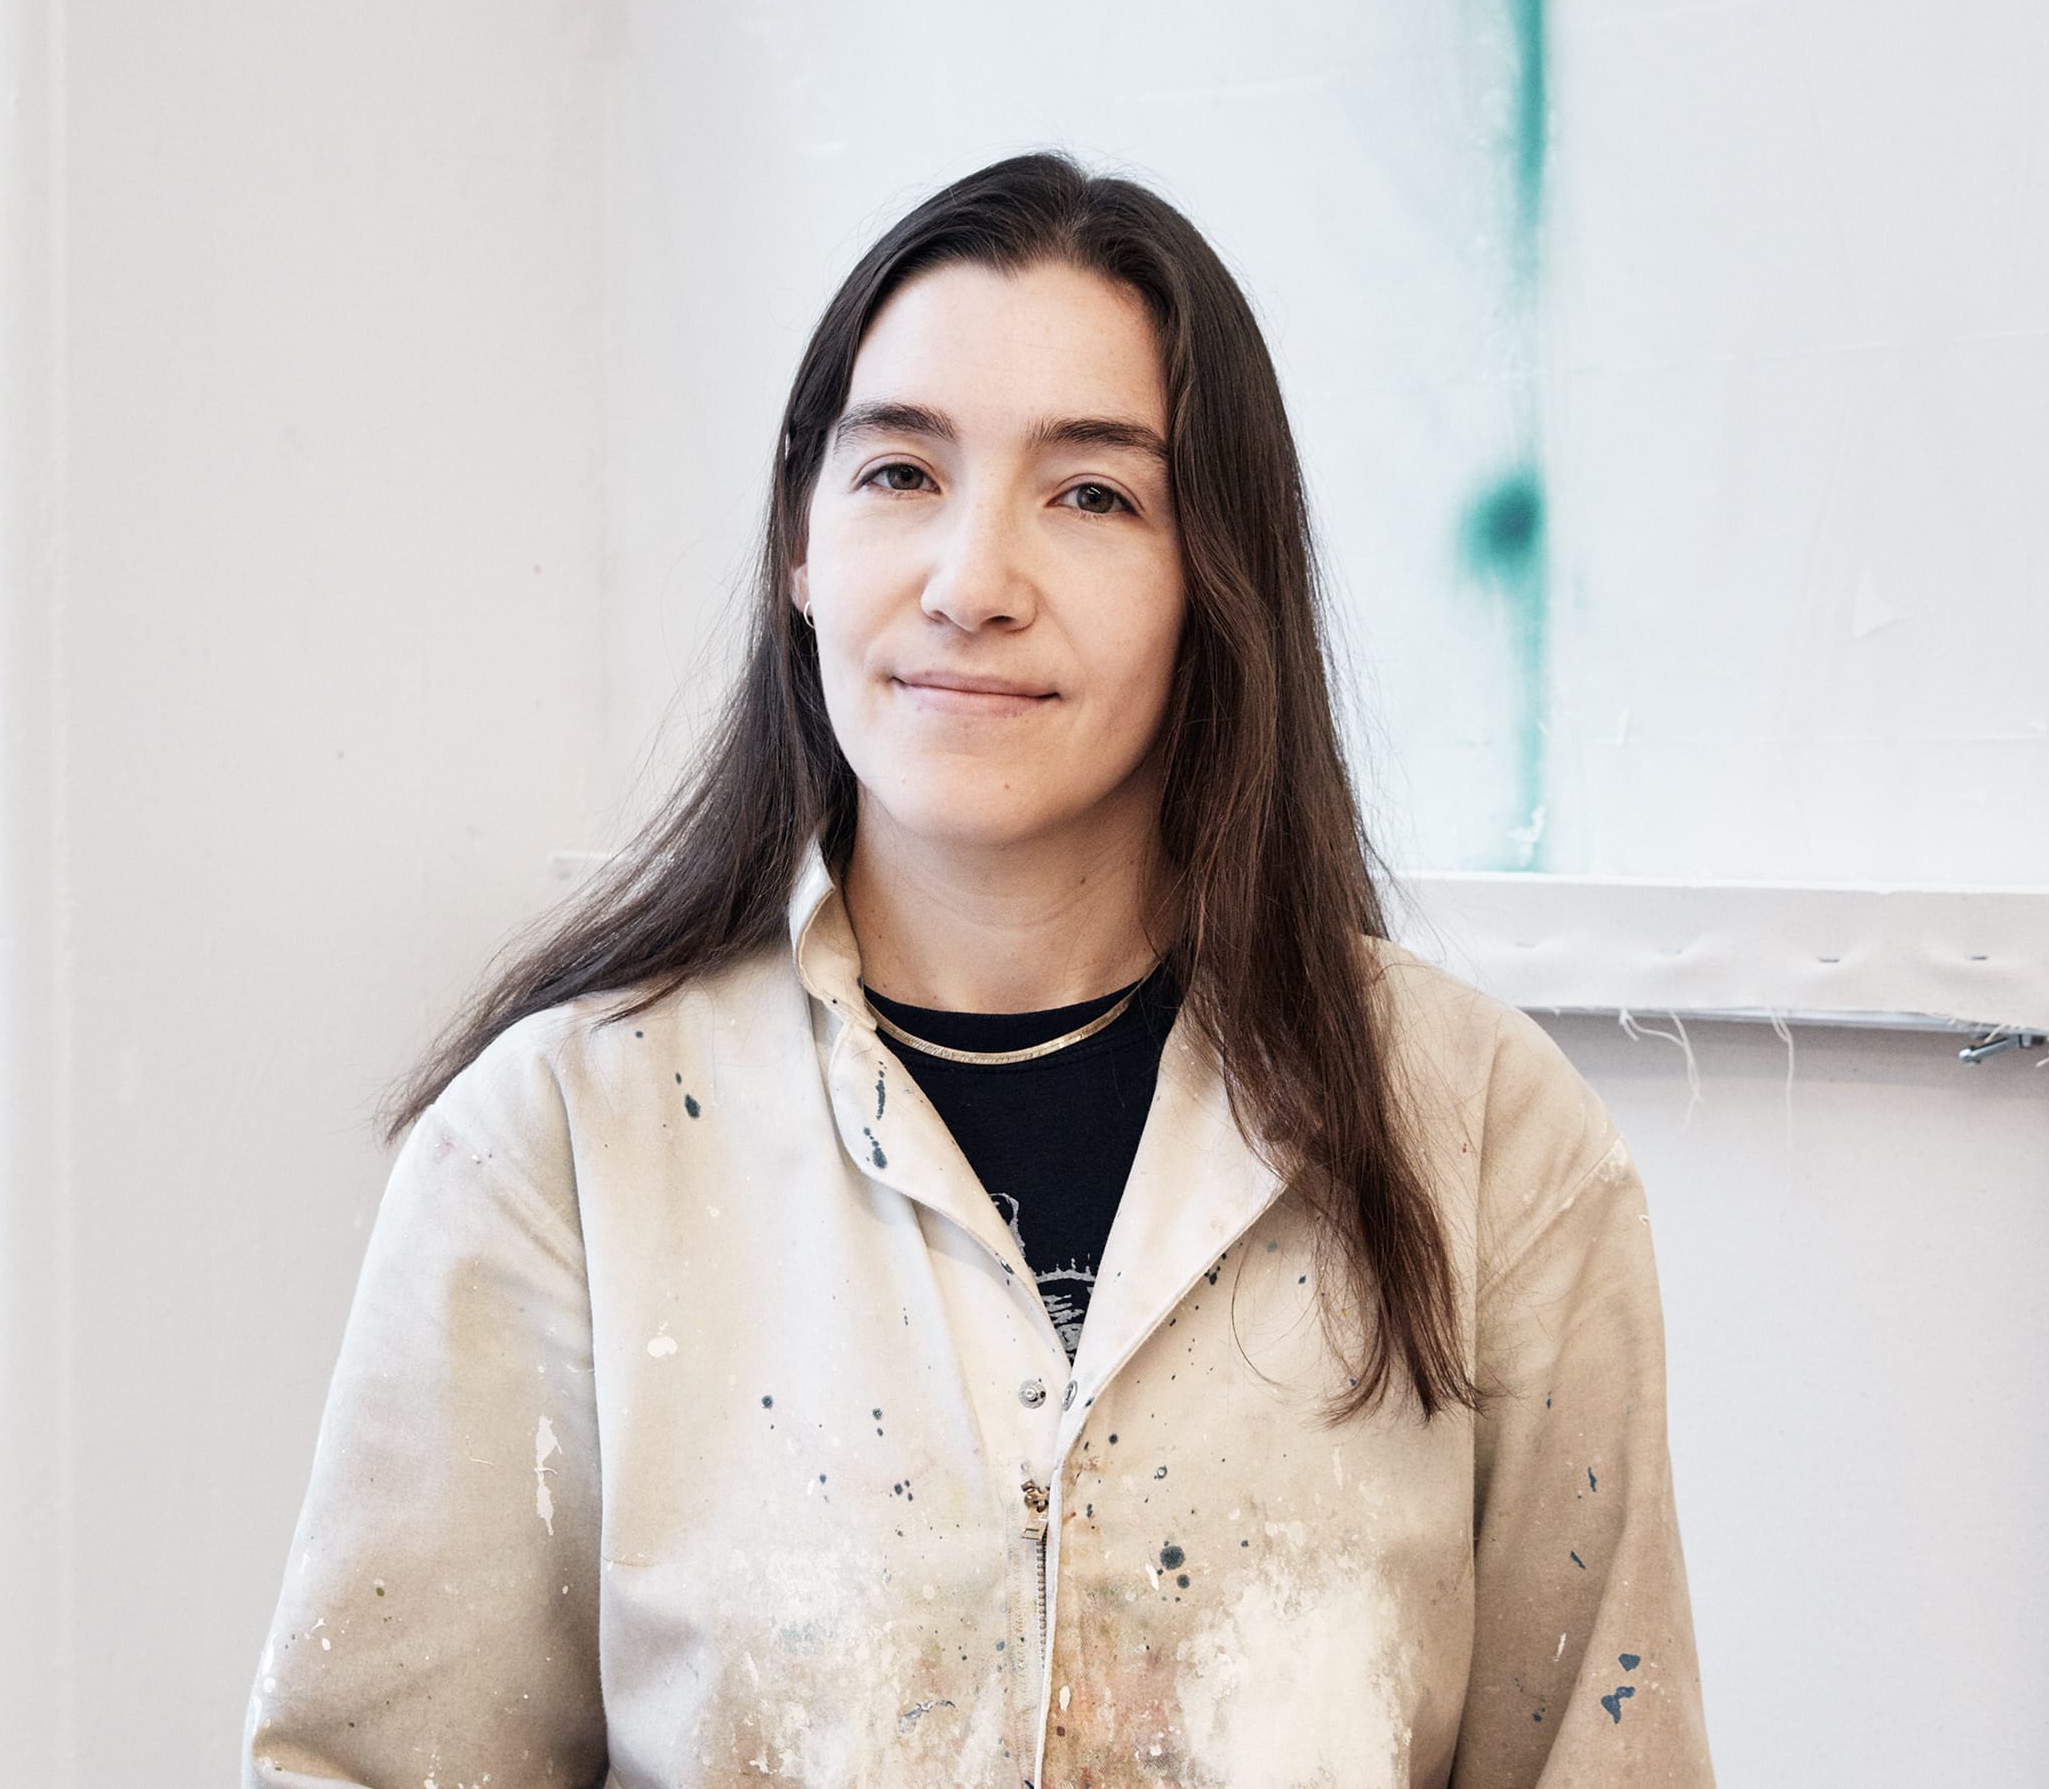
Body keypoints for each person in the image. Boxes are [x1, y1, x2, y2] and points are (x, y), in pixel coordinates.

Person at [242, 151, 1714, 1788]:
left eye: (1091, 494)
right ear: (801, 539)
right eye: (898, 475)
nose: (969, 583)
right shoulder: (560, 1144)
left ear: (1213, 581)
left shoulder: (1486, 1136)